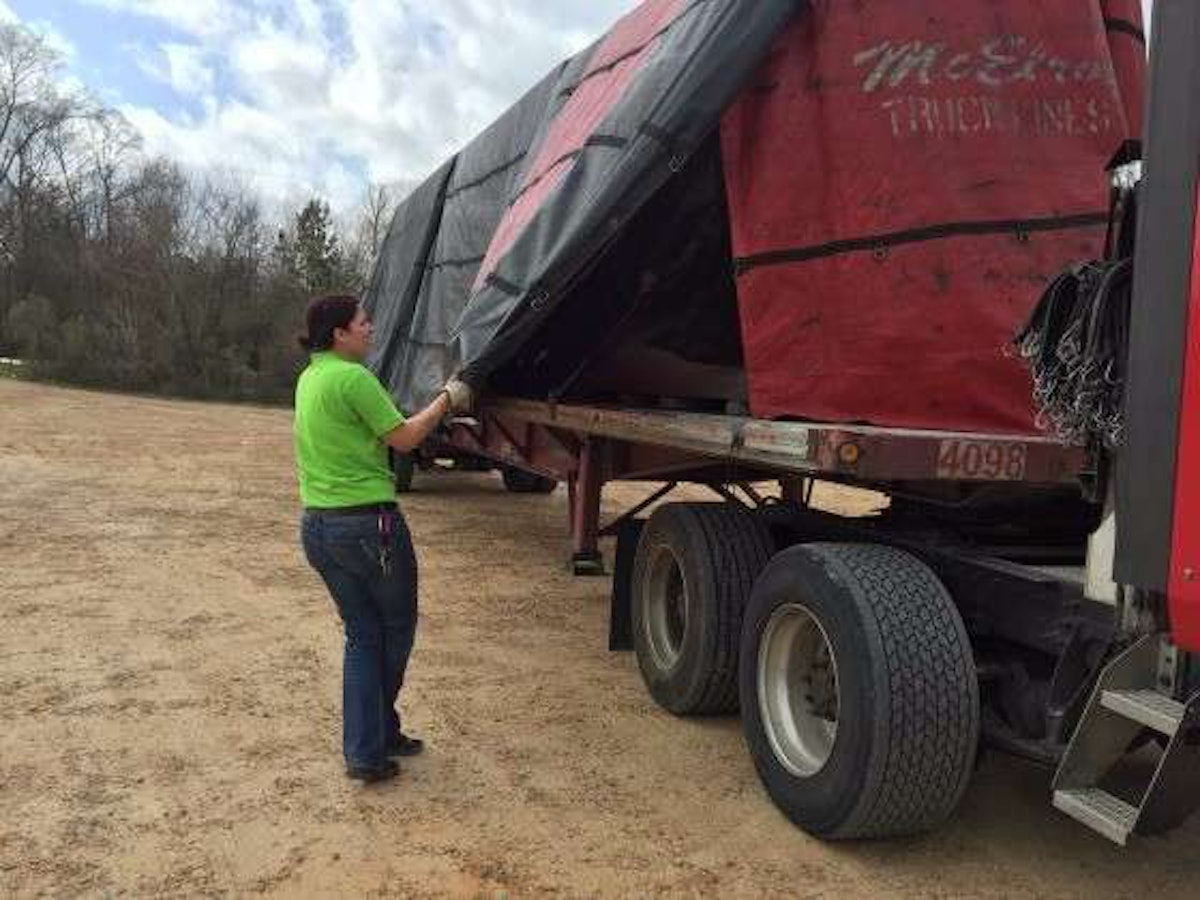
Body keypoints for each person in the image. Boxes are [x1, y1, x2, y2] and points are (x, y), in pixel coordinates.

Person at [294, 294, 473, 783]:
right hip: (368, 528)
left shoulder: (312, 377)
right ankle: (366, 748)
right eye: (363, 322)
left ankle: (376, 737)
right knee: (392, 633)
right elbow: (406, 438)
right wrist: (448, 399)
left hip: (320, 527)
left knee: (362, 633)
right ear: (340, 334)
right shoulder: (353, 378)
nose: (371, 328)